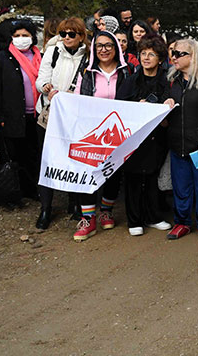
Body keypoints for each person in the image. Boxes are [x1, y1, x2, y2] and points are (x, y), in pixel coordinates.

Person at [70, 31, 131, 241]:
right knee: (87, 172)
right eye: (99, 46)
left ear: (116, 49)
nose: (104, 50)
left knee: (112, 172)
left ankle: (106, 210)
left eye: (108, 46)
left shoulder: (126, 72)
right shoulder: (86, 72)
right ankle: (88, 218)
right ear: (94, 50)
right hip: (91, 132)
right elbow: (78, 98)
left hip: (117, 132)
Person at [34, 17, 89, 229]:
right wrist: (46, 87)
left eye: (71, 34)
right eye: (63, 33)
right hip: (49, 113)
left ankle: (74, 203)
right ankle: (45, 208)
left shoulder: (87, 57)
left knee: (73, 159)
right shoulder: (53, 51)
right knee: (47, 161)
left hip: (74, 117)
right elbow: (41, 78)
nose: (67, 37)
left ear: (81, 36)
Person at [115, 35, 173, 237]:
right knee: (132, 179)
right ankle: (134, 220)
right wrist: (136, 106)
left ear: (160, 58)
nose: (146, 58)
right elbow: (119, 107)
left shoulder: (167, 80)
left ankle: (154, 217)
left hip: (158, 137)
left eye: (152, 54)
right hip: (133, 138)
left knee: (152, 179)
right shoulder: (131, 80)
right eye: (143, 53)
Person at [163, 38, 198, 241]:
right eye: (173, 53)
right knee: (181, 188)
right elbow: (163, 105)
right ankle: (182, 222)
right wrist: (165, 104)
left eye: (179, 54)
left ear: (193, 55)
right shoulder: (171, 79)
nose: (174, 57)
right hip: (177, 143)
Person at [0, 19, 43, 201]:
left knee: (35, 154)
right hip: (12, 116)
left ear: (32, 37)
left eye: (25, 35)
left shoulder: (40, 56)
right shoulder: (3, 58)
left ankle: (34, 189)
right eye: (17, 36)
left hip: (36, 115)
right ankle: (15, 190)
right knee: (16, 155)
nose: (21, 39)